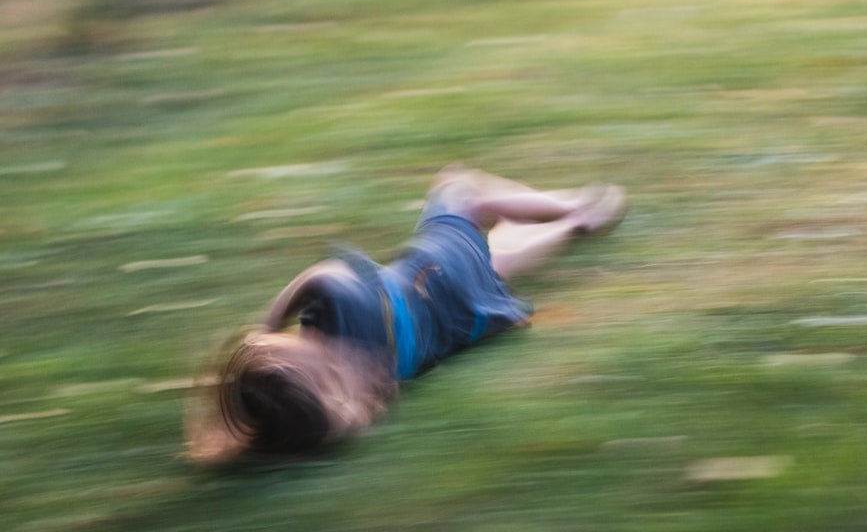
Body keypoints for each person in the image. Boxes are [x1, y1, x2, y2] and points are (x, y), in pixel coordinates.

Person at [186, 165, 627, 463]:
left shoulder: (353, 397)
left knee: (493, 265)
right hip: (434, 271)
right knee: (459, 188)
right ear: (277, 353)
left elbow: (297, 394)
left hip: (458, 322)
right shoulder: (339, 298)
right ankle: (573, 207)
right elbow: (317, 276)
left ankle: (569, 227)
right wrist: (268, 323)